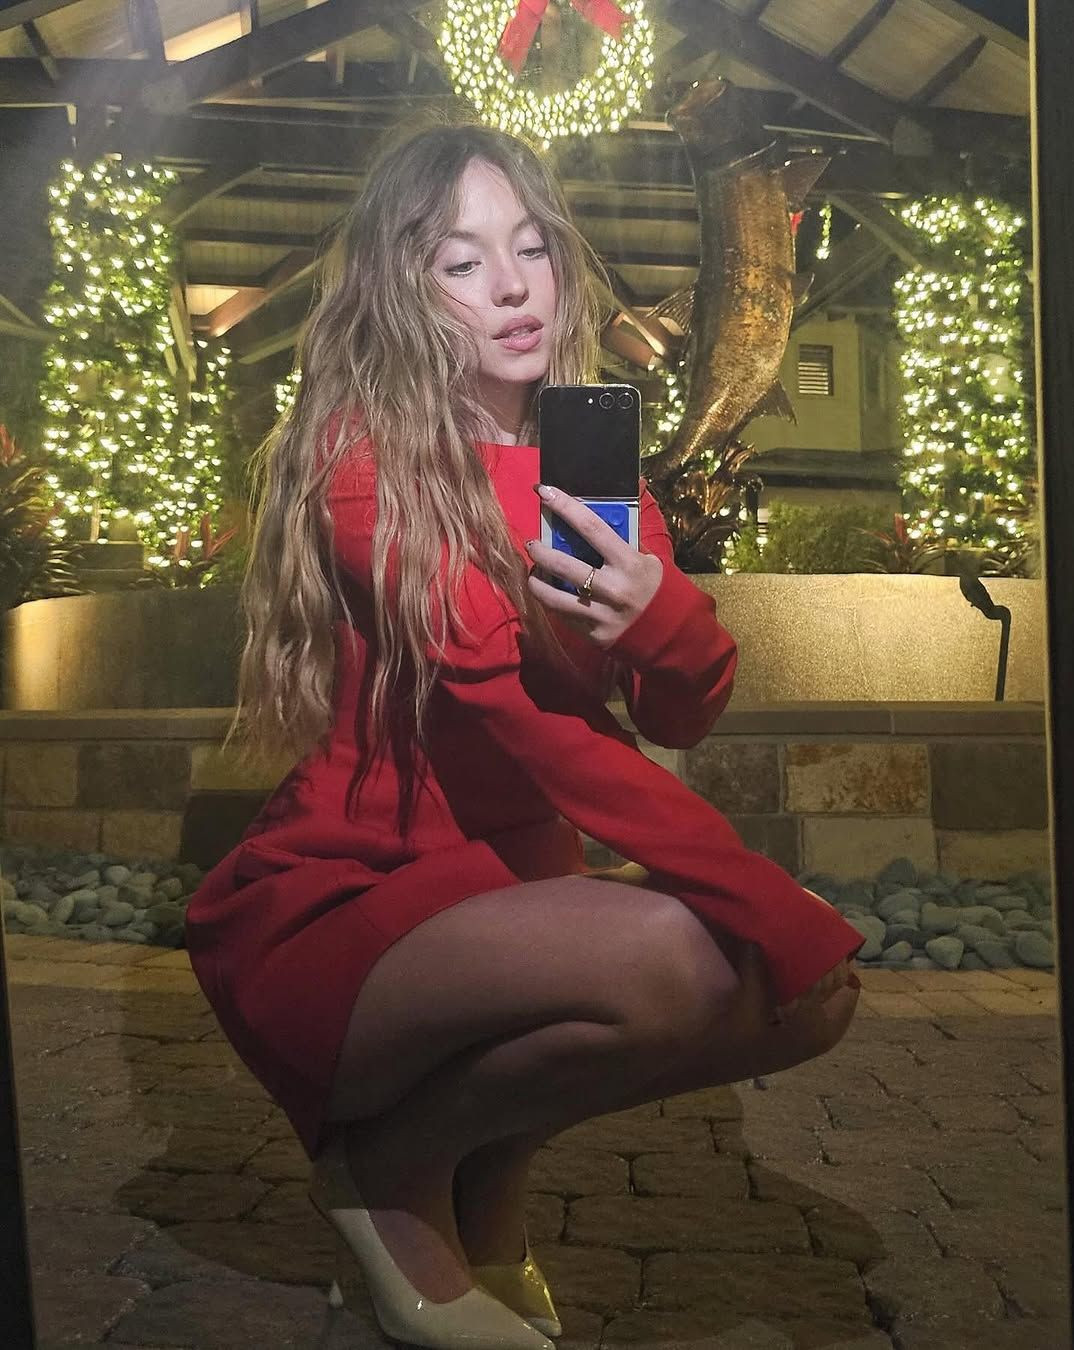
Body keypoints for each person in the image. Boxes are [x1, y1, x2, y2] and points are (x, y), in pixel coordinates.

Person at [183, 114, 864, 1350]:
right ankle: (385, 1171)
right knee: (694, 960)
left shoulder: (597, 480)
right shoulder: (369, 465)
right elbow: (531, 723)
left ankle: (481, 1191)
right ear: (403, 291)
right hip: (356, 901)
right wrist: (767, 899)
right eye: (461, 259)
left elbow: (681, 710)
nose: (511, 284)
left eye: (532, 246)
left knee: (806, 1000)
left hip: (514, 895)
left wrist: (662, 621)